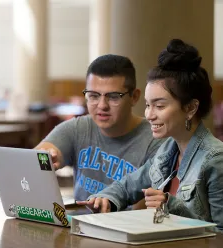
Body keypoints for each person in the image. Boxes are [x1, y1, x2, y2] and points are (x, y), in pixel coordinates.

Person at [78, 39, 223, 232]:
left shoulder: (216, 159)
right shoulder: (167, 150)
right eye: (148, 105)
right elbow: (127, 185)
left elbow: (220, 234)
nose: (149, 114)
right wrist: (105, 198)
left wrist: (171, 207)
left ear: (190, 107)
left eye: (159, 106)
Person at [36, 54, 164, 201]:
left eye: (114, 96)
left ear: (134, 97)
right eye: (93, 95)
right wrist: (47, 157)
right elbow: (37, 156)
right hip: (80, 221)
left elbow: (147, 207)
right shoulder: (79, 128)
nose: (102, 105)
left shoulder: (155, 140)